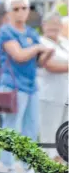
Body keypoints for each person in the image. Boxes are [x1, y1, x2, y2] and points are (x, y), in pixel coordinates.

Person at [0, 0, 55, 173]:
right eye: (16, 8)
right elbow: (19, 55)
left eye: (24, 8)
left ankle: (27, 165)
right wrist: (38, 47)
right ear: (10, 12)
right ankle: (7, 165)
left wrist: (48, 54)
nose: (21, 11)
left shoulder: (31, 32)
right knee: (11, 127)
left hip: (31, 86)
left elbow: (38, 63)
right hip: (13, 86)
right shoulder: (7, 30)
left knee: (31, 128)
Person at [37, 13, 68, 161]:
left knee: (64, 133)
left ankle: (60, 163)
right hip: (49, 95)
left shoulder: (64, 42)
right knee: (49, 133)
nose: (53, 26)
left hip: (65, 95)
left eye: (56, 23)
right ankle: (46, 164)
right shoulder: (40, 42)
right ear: (43, 26)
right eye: (50, 23)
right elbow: (50, 66)